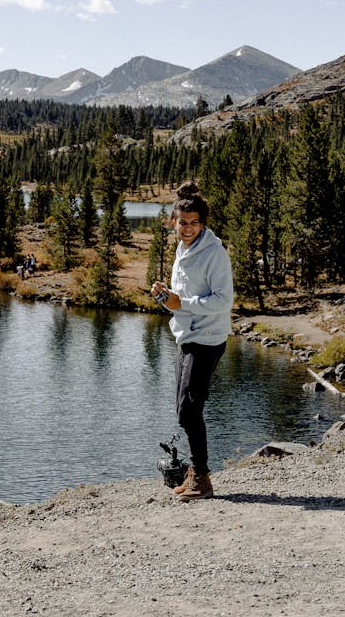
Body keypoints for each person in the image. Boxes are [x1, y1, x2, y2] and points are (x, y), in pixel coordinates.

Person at [151, 181, 233, 502]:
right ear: (174, 221)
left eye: (193, 223)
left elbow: (223, 301)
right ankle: (196, 473)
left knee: (188, 410)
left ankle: (202, 478)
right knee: (184, 409)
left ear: (203, 223)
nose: (187, 228)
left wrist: (179, 303)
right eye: (182, 222)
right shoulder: (183, 249)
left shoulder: (214, 254)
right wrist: (166, 298)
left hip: (208, 339)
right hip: (186, 336)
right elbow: (182, 297)